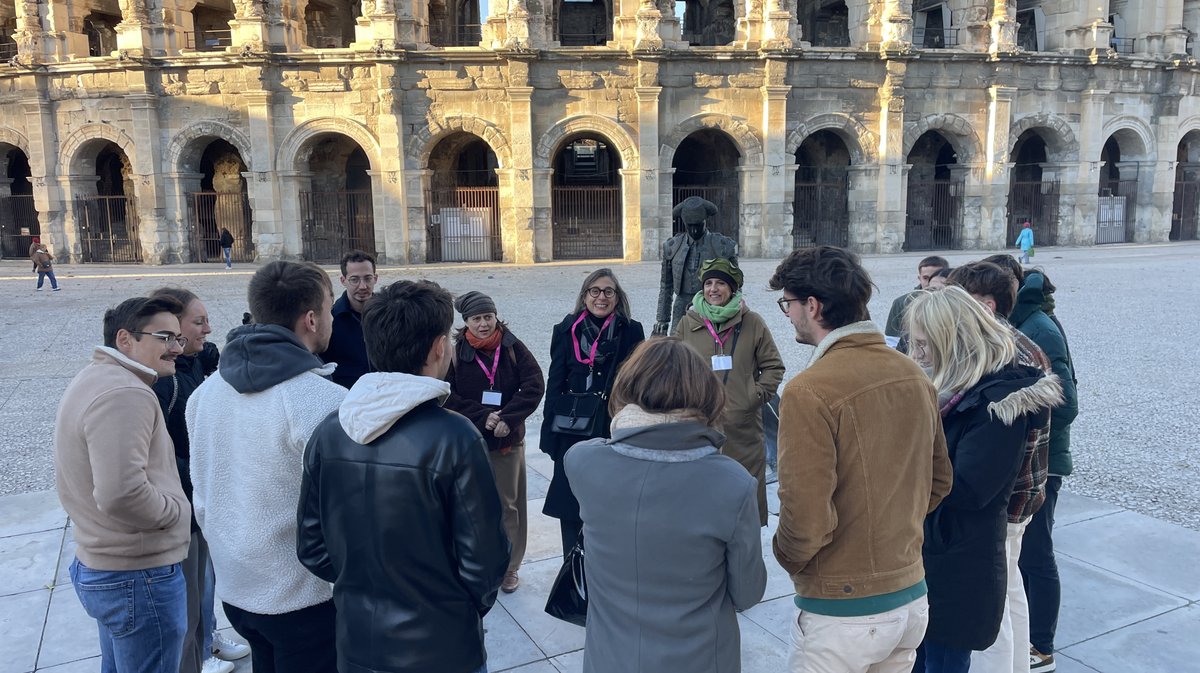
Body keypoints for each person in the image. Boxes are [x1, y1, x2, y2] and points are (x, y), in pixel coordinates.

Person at [297, 280, 510, 673]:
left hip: (358, 639)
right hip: (440, 647)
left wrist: (364, 587)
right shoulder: (455, 436)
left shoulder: (329, 431)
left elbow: (312, 547)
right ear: (438, 347)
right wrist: (450, 605)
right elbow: (485, 562)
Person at [768, 246, 953, 673]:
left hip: (843, 610)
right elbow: (939, 481)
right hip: (910, 594)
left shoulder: (809, 390)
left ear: (812, 306)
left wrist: (789, 556)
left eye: (788, 305)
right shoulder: (913, 374)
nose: (789, 314)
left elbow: (806, 516)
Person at [566, 338, 767, 673]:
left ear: (628, 387)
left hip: (610, 658)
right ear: (705, 396)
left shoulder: (583, 462)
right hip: (700, 659)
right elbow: (748, 593)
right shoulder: (732, 483)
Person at [187, 261, 345, 673]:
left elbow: (202, 490)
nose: (331, 318)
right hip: (304, 598)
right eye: (328, 309)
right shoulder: (320, 402)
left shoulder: (205, 394)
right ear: (311, 319)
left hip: (237, 586)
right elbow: (344, 513)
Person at [905, 287, 1062, 673]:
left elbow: (970, 489)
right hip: (934, 550)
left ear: (954, 344)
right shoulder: (955, 390)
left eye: (925, 345)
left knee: (943, 658)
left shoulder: (998, 402)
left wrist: (900, 462)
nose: (917, 355)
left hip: (959, 560)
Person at [55, 295, 190, 673]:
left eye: (178, 338)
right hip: (136, 573)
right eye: (164, 337)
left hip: (111, 566)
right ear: (125, 339)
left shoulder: (98, 376)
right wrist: (176, 511)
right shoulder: (126, 393)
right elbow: (120, 492)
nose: (176, 348)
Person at [948, 262, 1053, 673]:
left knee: (992, 605)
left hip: (1004, 496)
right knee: (1009, 593)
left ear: (986, 305)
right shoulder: (1019, 344)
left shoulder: (1004, 352)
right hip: (1019, 491)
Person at [148, 288, 249, 673]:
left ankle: (206, 642)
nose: (208, 328)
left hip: (200, 497)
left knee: (204, 580)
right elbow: (161, 452)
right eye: (198, 322)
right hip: (184, 501)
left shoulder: (191, 362)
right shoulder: (164, 381)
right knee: (189, 594)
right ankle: (196, 655)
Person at [443, 290, 545, 593]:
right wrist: (481, 417)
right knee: (472, 506)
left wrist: (507, 419)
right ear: (467, 321)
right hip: (471, 440)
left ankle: (510, 566)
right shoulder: (457, 351)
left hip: (506, 442)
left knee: (508, 507)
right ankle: (478, 562)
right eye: (477, 318)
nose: (484, 324)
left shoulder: (512, 346)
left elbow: (534, 384)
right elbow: (447, 392)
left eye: (488, 317)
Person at [541, 268, 645, 558]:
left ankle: (608, 565)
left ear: (617, 296)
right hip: (572, 428)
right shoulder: (567, 329)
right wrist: (549, 433)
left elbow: (638, 382)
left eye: (608, 291)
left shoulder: (631, 329)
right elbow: (556, 380)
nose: (601, 297)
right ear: (585, 295)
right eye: (595, 291)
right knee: (570, 504)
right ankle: (571, 568)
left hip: (613, 426)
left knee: (611, 502)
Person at [676, 257, 785, 525]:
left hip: (743, 431)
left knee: (743, 506)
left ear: (732, 289)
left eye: (721, 283)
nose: (713, 289)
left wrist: (753, 397)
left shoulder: (753, 323)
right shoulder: (687, 325)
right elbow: (673, 370)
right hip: (699, 430)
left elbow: (773, 366)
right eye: (709, 283)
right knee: (704, 507)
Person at [1010, 268, 1078, 673]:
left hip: (1044, 462)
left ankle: (1043, 645)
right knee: (1024, 556)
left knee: (1037, 555)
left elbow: (1066, 404)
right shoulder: (1025, 322)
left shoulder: (1040, 329)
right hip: (1033, 458)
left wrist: (1026, 430)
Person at [654, 196, 738, 335]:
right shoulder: (672, 246)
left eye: (698, 225)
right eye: (690, 226)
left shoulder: (723, 246)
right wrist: (662, 320)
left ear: (705, 221)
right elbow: (666, 286)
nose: (694, 231)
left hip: (713, 304)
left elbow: (735, 284)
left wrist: (732, 312)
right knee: (677, 347)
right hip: (681, 305)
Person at [320, 250, 377, 389]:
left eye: (368, 278)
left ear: (375, 278)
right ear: (343, 280)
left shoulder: (391, 316)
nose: (362, 286)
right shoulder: (330, 321)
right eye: (354, 279)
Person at [884, 255, 949, 338]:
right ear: (919, 278)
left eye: (935, 277)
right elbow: (892, 339)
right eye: (925, 278)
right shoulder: (901, 303)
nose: (930, 282)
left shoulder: (956, 302)